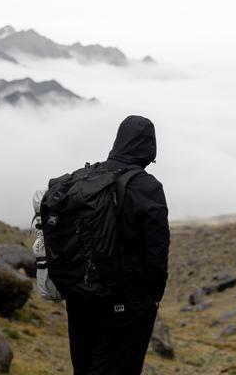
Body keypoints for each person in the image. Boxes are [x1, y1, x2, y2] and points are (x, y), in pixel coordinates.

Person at [65, 115, 170, 375]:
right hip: (125, 305)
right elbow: (157, 253)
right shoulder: (147, 187)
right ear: (150, 149)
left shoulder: (85, 179)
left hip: (80, 296)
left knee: (85, 367)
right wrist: (151, 298)